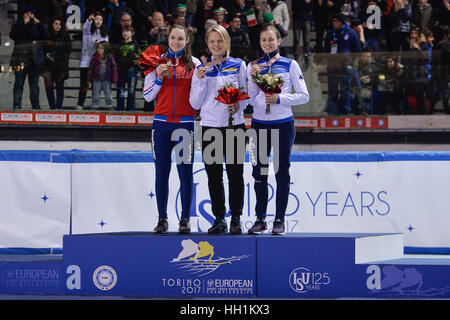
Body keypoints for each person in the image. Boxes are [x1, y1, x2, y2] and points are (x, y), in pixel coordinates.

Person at [247, 25, 309, 235]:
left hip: (283, 123)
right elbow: (249, 100)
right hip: (259, 124)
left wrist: (280, 98)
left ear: (279, 41)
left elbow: (304, 95)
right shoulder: (253, 66)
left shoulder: (290, 64)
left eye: (271, 40)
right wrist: (253, 79)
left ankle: (279, 220)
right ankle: (260, 219)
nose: (267, 43)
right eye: (264, 40)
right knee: (258, 172)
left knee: (281, 172)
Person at [189, 25, 248, 235]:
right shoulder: (201, 69)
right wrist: (200, 80)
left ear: (226, 43)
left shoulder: (239, 65)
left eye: (219, 41)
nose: (216, 45)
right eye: (212, 41)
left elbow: (246, 94)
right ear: (207, 44)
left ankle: (236, 219)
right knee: (213, 176)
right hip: (210, 128)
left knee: (235, 175)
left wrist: (239, 105)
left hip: (234, 127)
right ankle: (219, 218)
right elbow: (194, 103)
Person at [142, 24, 201, 234]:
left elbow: (199, 97)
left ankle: (185, 219)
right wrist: (158, 76)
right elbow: (147, 95)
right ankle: (162, 219)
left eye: (180, 39)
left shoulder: (194, 64)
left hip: (185, 124)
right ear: (168, 39)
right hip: (161, 124)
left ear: (187, 41)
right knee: (161, 173)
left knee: (185, 173)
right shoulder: (156, 62)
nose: (176, 42)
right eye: (173, 38)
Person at [9, 6, 50, 109]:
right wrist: (25, 24)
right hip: (20, 60)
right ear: (23, 14)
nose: (28, 15)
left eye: (30, 13)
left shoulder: (36, 26)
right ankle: (17, 104)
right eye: (26, 13)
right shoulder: (18, 25)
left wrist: (39, 24)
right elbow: (14, 35)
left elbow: (46, 36)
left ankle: (35, 105)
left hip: (34, 60)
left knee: (34, 85)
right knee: (19, 83)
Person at [324, 13, 361, 115]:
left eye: (336, 21)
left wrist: (349, 60)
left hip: (346, 65)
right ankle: (332, 111)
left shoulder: (351, 33)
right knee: (332, 89)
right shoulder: (330, 33)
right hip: (333, 65)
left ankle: (345, 110)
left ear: (342, 22)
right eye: (333, 21)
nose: (334, 23)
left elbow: (357, 49)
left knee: (345, 89)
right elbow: (326, 49)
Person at [77, 12, 109, 110]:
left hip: (97, 64)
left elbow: (106, 48)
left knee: (95, 85)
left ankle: (94, 105)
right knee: (84, 84)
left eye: (100, 19)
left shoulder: (104, 34)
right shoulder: (87, 32)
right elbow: (85, 28)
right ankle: (80, 104)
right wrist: (88, 20)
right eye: (96, 19)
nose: (98, 21)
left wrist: (99, 46)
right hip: (86, 63)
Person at [42, 18, 72, 110]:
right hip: (48, 66)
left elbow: (67, 51)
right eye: (56, 24)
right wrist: (46, 55)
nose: (58, 26)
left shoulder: (65, 36)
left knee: (59, 88)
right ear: (52, 24)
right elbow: (42, 48)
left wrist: (55, 57)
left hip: (60, 66)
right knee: (49, 88)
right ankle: (52, 107)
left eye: (59, 24)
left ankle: (59, 107)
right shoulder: (46, 35)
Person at [87, 41, 118, 109]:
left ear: (105, 49)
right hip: (96, 79)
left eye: (101, 48)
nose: (99, 50)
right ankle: (95, 106)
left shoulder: (110, 57)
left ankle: (110, 106)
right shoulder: (94, 57)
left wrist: (115, 80)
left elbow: (114, 68)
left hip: (107, 80)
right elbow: (91, 69)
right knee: (96, 94)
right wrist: (88, 79)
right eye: (98, 48)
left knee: (108, 94)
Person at [115, 26, 139, 111]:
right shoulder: (120, 45)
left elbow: (138, 58)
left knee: (131, 92)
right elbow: (116, 58)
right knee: (120, 91)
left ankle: (131, 110)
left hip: (132, 72)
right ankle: (119, 109)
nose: (125, 33)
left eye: (127, 31)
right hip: (121, 72)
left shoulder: (135, 45)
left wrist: (134, 67)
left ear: (132, 33)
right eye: (124, 31)